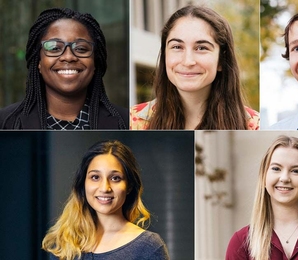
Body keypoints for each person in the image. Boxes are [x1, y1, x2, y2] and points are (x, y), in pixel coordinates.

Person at [130, 5, 259, 130]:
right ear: (165, 55)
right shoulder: (131, 121)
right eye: (177, 47)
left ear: (221, 60)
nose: (188, 61)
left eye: (201, 48)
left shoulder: (253, 125)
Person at [0, 8, 128, 129]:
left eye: (81, 48)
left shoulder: (127, 122)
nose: (68, 57)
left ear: (95, 62)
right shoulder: (5, 122)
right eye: (55, 48)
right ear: (38, 61)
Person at [42, 140, 169, 260]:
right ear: (83, 183)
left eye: (115, 178)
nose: (105, 188)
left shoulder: (148, 247)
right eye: (95, 177)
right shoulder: (63, 244)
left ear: (129, 186)